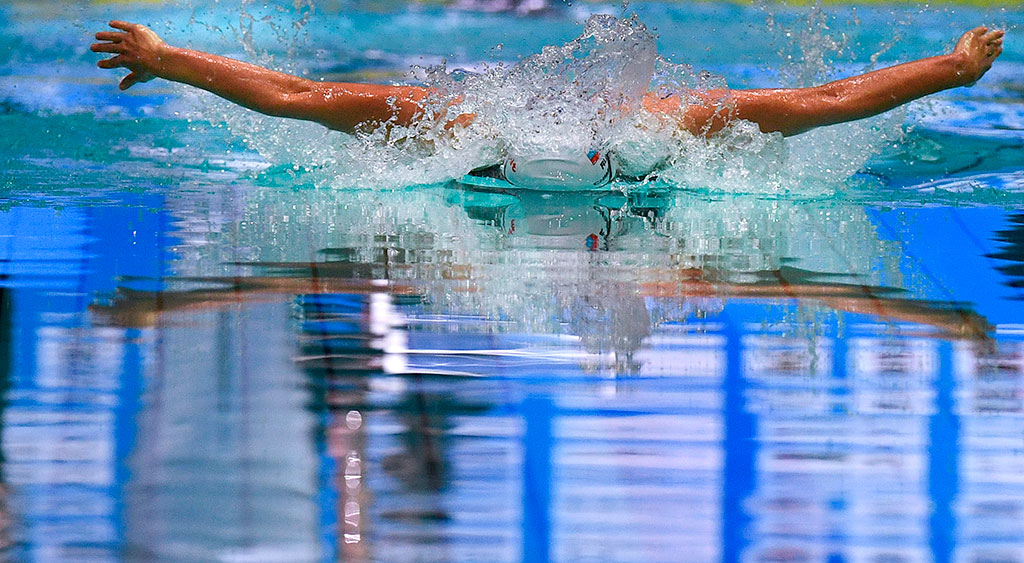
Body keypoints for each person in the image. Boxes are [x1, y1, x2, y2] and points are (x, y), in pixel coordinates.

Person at [91, 20, 1003, 165]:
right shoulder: (454, 124)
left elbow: (830, 100)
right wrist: (170, 58)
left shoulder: (670, 125)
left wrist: (955, 70)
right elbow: (296, 95)